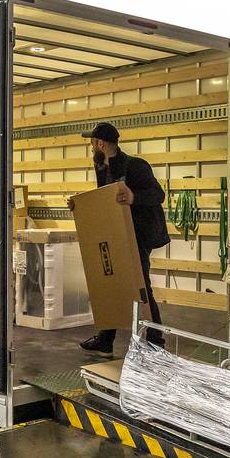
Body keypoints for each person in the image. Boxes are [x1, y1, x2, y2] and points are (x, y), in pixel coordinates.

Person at [74, 122, 169, 356]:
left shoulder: (135, 165)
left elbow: (158, 194)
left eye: (92, 143)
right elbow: (105, 198)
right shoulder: (101, 167)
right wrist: (80, 206)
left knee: (141, 285)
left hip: (139, 234)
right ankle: (106, 340)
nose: (91, 147)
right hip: (115, 232)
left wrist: (133, 197)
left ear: (100, 143)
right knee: (110, 282)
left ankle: (156, 340)